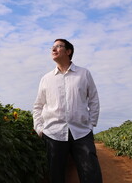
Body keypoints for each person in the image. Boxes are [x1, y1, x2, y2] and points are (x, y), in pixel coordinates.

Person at [33, 39, 102, 183]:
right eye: (52, 47)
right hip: (53, 133)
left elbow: (94, 100)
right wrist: (40, 129)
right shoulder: (46, 79)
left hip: (81, 132)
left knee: (91, 173)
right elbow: (38, 106)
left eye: (58, 46)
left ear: (68, 51)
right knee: (56, 176)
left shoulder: (83, 74)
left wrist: (91, 124)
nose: (54, 49)